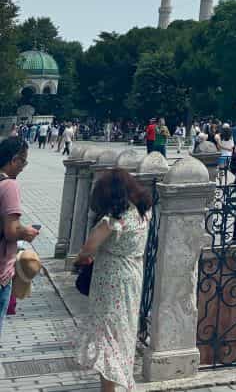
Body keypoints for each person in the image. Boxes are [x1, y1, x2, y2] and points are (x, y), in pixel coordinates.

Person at [74, 167, 152, 392]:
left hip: (111, 281)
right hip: (133, 275)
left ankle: (111, 388)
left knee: (108, 335)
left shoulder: (111, 220)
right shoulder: (142, 213)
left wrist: (81, 259)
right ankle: (123, 380)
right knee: (124, 331)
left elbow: (88, 248)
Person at [0, 137, 40, 343]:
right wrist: (27, 232)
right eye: (23, 162)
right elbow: (11, 231)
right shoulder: (9, 186)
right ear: (14, 160)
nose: (24, 167)